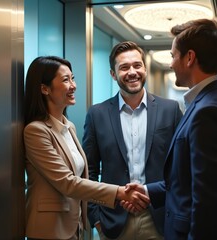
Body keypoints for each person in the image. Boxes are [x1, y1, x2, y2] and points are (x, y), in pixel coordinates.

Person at [124, 19, 217, 240]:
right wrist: (146, 190)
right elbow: (187, 182)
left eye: (173, 56)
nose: (171, 63)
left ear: (190, 58)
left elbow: (209, 205)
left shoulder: (209, 112)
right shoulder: (215, 102)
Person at [23, 56, 150, 240]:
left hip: (74, 227)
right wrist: (120, 193)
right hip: (49, 230)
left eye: (72, 78)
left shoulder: (68, 127)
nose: (73, 85)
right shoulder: (36, 131)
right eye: (66, 80)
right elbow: (67, 183)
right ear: (44, 88)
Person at [82, 41, 183, 239]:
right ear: (113, 74)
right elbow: (89, 171)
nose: (132, 72)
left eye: (137, 65)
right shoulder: (97, 114)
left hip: (160, 219)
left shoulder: (170, 110)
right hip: (113, 222)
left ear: (144, 68)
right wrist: (96, 219)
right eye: (124, 67)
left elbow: (180, 167)